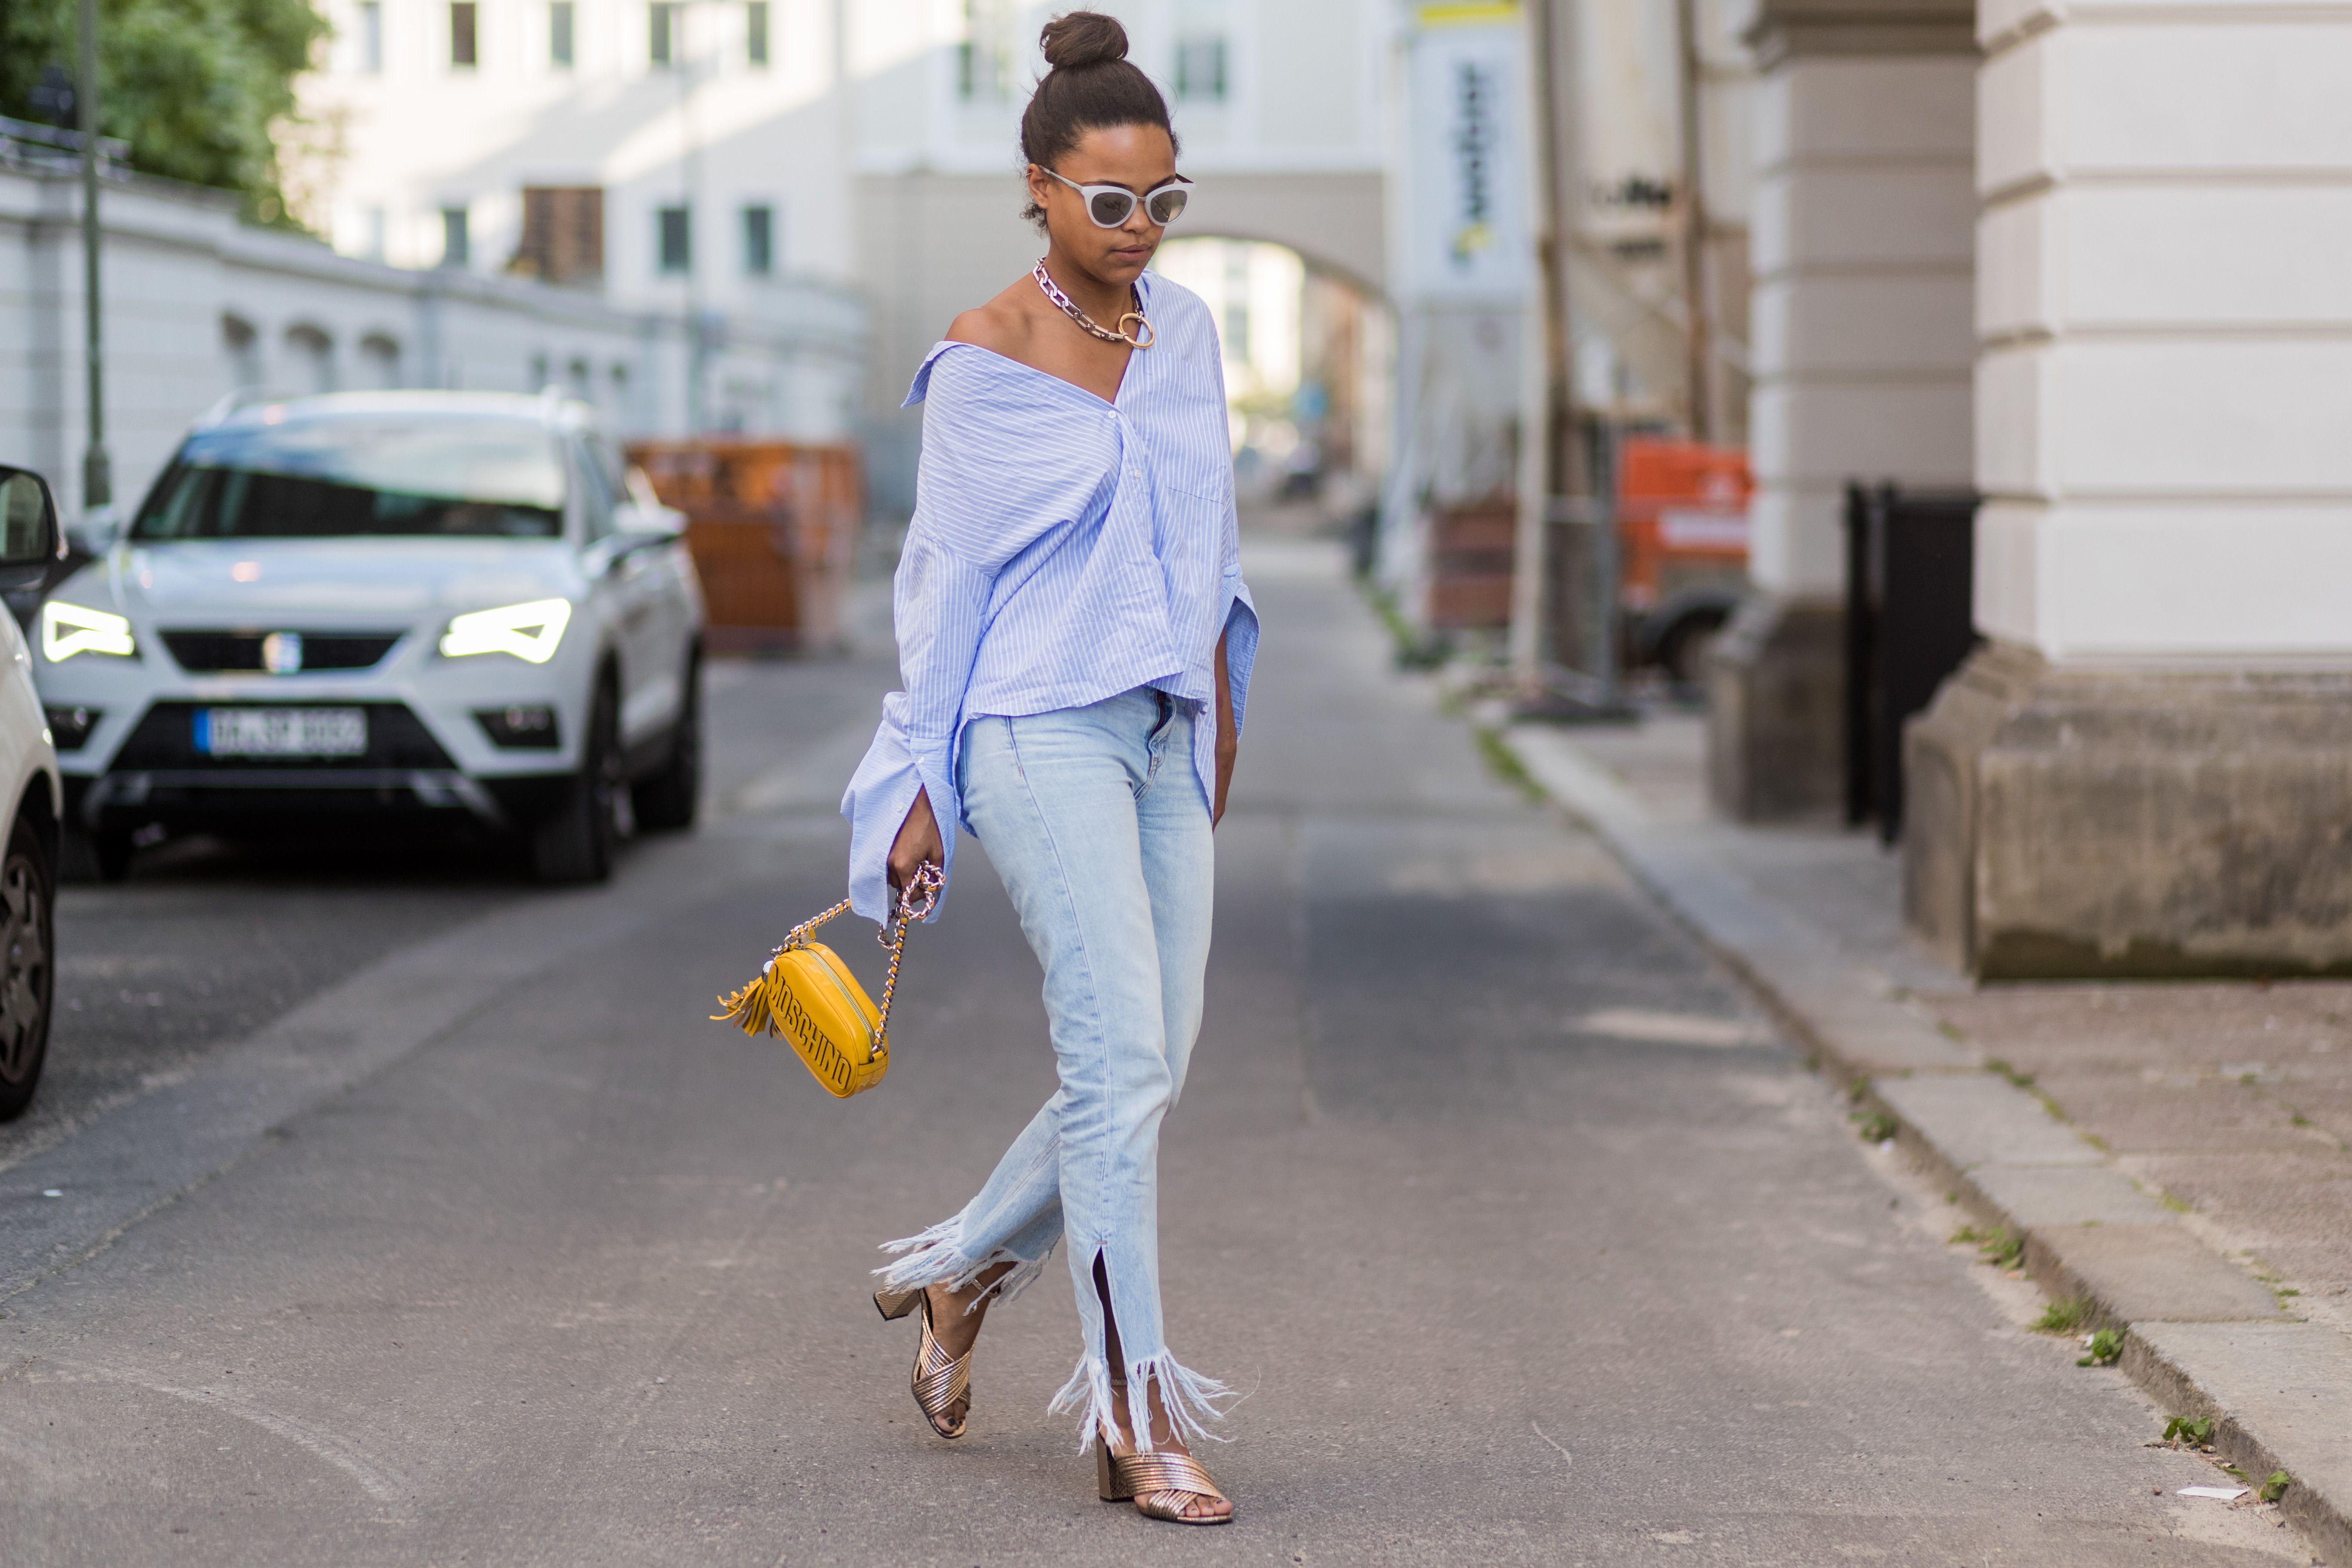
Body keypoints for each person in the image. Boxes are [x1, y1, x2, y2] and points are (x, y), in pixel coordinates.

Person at [839, 9, 1255, 1528]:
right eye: (1108, 202)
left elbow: (1208, 535)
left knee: (1157, 1058)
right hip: (1030, 730)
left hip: (1157, 732)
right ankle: (1136, 1410)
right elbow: (939, 591)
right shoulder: (981, 361)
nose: (1139, 230)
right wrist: (913, 784)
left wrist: (1218, 692)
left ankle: (958, 1273)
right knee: (1116, 1059)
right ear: (1038, 186)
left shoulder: (1192, 333)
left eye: (1163, 201)